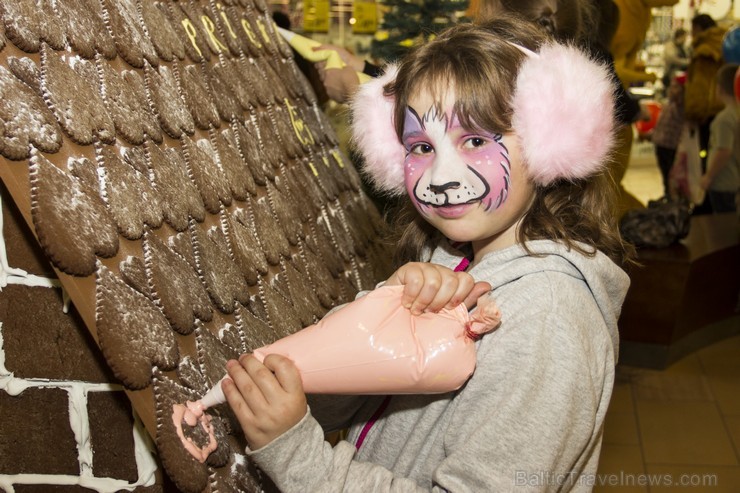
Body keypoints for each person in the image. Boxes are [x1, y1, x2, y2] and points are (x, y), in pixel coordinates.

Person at [221, 16, 633, 491]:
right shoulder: (446, 260)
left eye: (475, 140)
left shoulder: (547, 317)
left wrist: (298, 455)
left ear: (551, 144)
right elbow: (340, 394)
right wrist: (377, 317)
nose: (440, 176)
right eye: (419, 146)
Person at [701, 63, 740, 213]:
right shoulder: (735, 114)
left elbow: (724, 150)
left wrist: (709, 176)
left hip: (723, 181)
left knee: (724, 223)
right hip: (733, 179)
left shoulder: (723, 119)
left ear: (719, 88)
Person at [652, 72, 687, 197]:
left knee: (672, 176)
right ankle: (667, 195)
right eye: (671, 86)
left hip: (672, 147)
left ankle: (673, 198)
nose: (672, 90)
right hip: (661, 144)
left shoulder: (682, 106)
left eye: (676, 87)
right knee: (665, 175)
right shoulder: (668, 104)